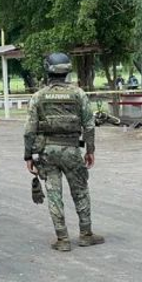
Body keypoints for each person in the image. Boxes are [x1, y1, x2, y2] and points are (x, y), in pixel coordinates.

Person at [24, 52, 104, 252]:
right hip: (71, 150)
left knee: (54, 194)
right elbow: (89, 125)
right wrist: (90, 150)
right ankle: (86, 234)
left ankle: (62, 239)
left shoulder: (38, 97)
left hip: (47, 152)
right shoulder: (79, 94)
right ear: (67, 70)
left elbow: (29, 130)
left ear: (47, 70)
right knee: (80, 191)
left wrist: (28, 156)